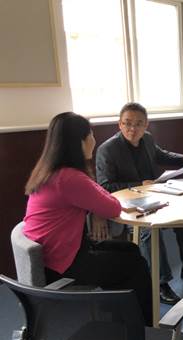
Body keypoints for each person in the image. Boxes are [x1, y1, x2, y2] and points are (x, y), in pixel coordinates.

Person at [23, 112, 153, 325]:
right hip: (63, 263)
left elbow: (99, 194)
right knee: (135, 266)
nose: (94, 139)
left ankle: (116, 317)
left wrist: (97, 199)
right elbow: (112, 206)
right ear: (80, 141)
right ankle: (143, 327)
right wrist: (98, 199)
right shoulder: (70, 178)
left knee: (129, 249)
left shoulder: (49, 171)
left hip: (50, 255)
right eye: (90, 134)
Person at [96, 102, 183, 306]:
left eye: (138, 124)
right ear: (119, 124)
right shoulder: (107, 150)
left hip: (154, 197)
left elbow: (161, 154)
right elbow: (105, 187)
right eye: (127, 123)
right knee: (149, 231)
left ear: (146, 125)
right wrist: (138, 184)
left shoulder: (147, 139)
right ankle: (160, 283)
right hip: (127, 208)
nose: (132, 128)